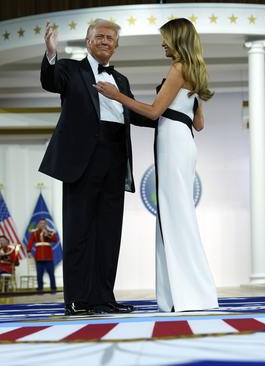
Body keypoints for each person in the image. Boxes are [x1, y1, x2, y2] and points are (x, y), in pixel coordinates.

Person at [95, 18, 218, 312]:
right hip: (184, 141)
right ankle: (184, 294)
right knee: (178, 216)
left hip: (173, 143)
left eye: (165, 38)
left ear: (176, 39)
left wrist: (117, 96)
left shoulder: (178, 68)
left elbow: (153, 112)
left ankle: (189, 296)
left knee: (175, 218)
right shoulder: (195, 71)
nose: (162, 43)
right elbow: (199, 124)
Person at [39, 19, 153, 315]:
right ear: (88, 41)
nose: (105, 41)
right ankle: (77, 299)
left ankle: (104, 297)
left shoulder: (122, 81)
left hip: (116, 158)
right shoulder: (70, 69)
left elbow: (137, 114)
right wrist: (51, 53)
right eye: (100, 36)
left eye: (111, 38)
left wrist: (170, 115)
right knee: (79, 232)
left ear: (115, 46)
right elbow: (50, 81)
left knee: (108, 232)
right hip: (82, 160)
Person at [27, 219, 58, 293]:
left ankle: (53, 288)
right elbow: (30, 242)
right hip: (39, 256)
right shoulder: (34, 232)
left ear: (46, 224)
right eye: (41, 223)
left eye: (44, 223)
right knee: (39, 274)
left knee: (51, 273)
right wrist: (29, 251)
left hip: (48, 256)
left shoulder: (50, 232)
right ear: (39, 224)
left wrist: (47, 234)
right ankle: (40, 288)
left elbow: (54, 240)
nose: (42, 225)